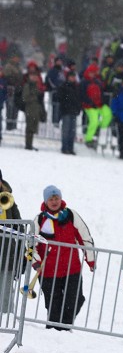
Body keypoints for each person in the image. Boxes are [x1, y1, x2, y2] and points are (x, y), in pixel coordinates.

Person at [30, 185, 95, 330]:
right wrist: (36, 262)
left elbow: (85, 236)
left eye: (56, 198)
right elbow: (30, 245)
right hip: (48, 271)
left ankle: (63, 330)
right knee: (54, 307)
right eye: (51, 199)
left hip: (72, 269)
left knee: (76, 300)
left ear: (61, 199)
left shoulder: (71, 215)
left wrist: (90, 259)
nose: (54, 201)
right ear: (46, 201)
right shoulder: (39, 220)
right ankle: (55, 334)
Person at [0, 182, 24, 314]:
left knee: (5, 294)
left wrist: (22, 254)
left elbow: (19, 226)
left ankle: (4, 323)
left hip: (7, 253)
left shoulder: (8, 199)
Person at [56, 70, 82, 155]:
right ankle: (65, 148)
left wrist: (78, 108)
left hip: (73, 111)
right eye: (71, 76)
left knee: (72, 131)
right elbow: (60, 97)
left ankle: (70, 148)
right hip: (66, 111)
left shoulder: (76, 87)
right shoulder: (64, 86)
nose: (73, 78)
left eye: (74, 77)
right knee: (66, 130)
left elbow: (78, 98)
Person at [22, 67, 45, 151]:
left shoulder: (35, 86)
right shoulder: (28, 85)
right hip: (30, 108)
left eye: (36, 76)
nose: (34, 78)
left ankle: (30, 144)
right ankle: (28, 144)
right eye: (33, 76)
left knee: (33, 127)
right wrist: (35, 98)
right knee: (29, 127)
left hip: (36, 109)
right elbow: (25, 98)